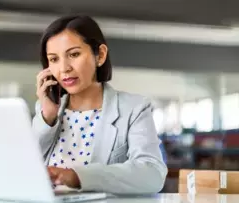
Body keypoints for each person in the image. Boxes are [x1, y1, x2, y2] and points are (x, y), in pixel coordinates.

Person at [32, 15, 168, 194]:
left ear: (100, 55)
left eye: (74, 54)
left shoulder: (133, 108)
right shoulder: (45, 112)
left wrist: (76, 176)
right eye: (54, 59)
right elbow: (25, 169)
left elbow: (152, 174)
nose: (64, 68)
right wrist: (47, 118)